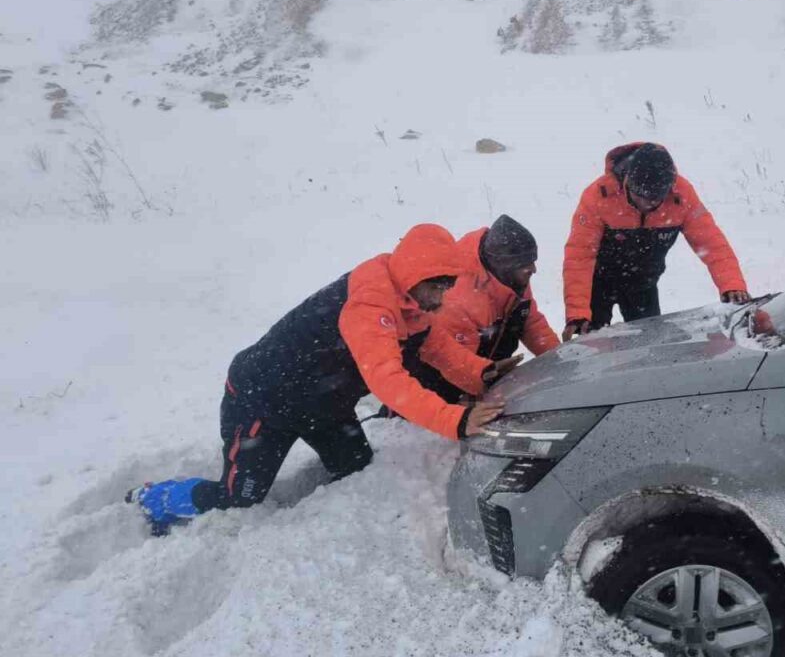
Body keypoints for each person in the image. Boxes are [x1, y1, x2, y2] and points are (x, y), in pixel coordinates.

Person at [129, 224, 504, 531]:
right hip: (264, 400)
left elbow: (435, 347)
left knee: (355, 467)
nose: (441, 299)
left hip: (324, 404)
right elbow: (387, 381)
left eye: (447, 287)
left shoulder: (413, 300)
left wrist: (481, 373)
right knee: (239, 498)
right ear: (415, 274)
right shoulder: (371, 302)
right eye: (436, 287)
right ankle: (154, 498)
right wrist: (455, 421)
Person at [562, 142, 749, 338]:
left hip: (643, 283)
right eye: (641, 195)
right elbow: (579, 256)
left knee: (651, 345)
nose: (648, 203)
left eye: (656, 197)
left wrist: (732, 285)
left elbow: (712, 244)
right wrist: (577, 314)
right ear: (627, 181)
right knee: (590, 346)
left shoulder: (682, 195)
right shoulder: (598, 196)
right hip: (596, 284)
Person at [408, 215, 559, 402]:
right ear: (505, 267)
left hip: (486, 368)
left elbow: (531, 323)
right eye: (526, 265)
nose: (534, 269)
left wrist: (559, 359)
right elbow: (457, 364)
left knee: (518, 314)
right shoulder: (459, 296)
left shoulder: (513, 279)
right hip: (442, 386)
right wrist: (480, 397)